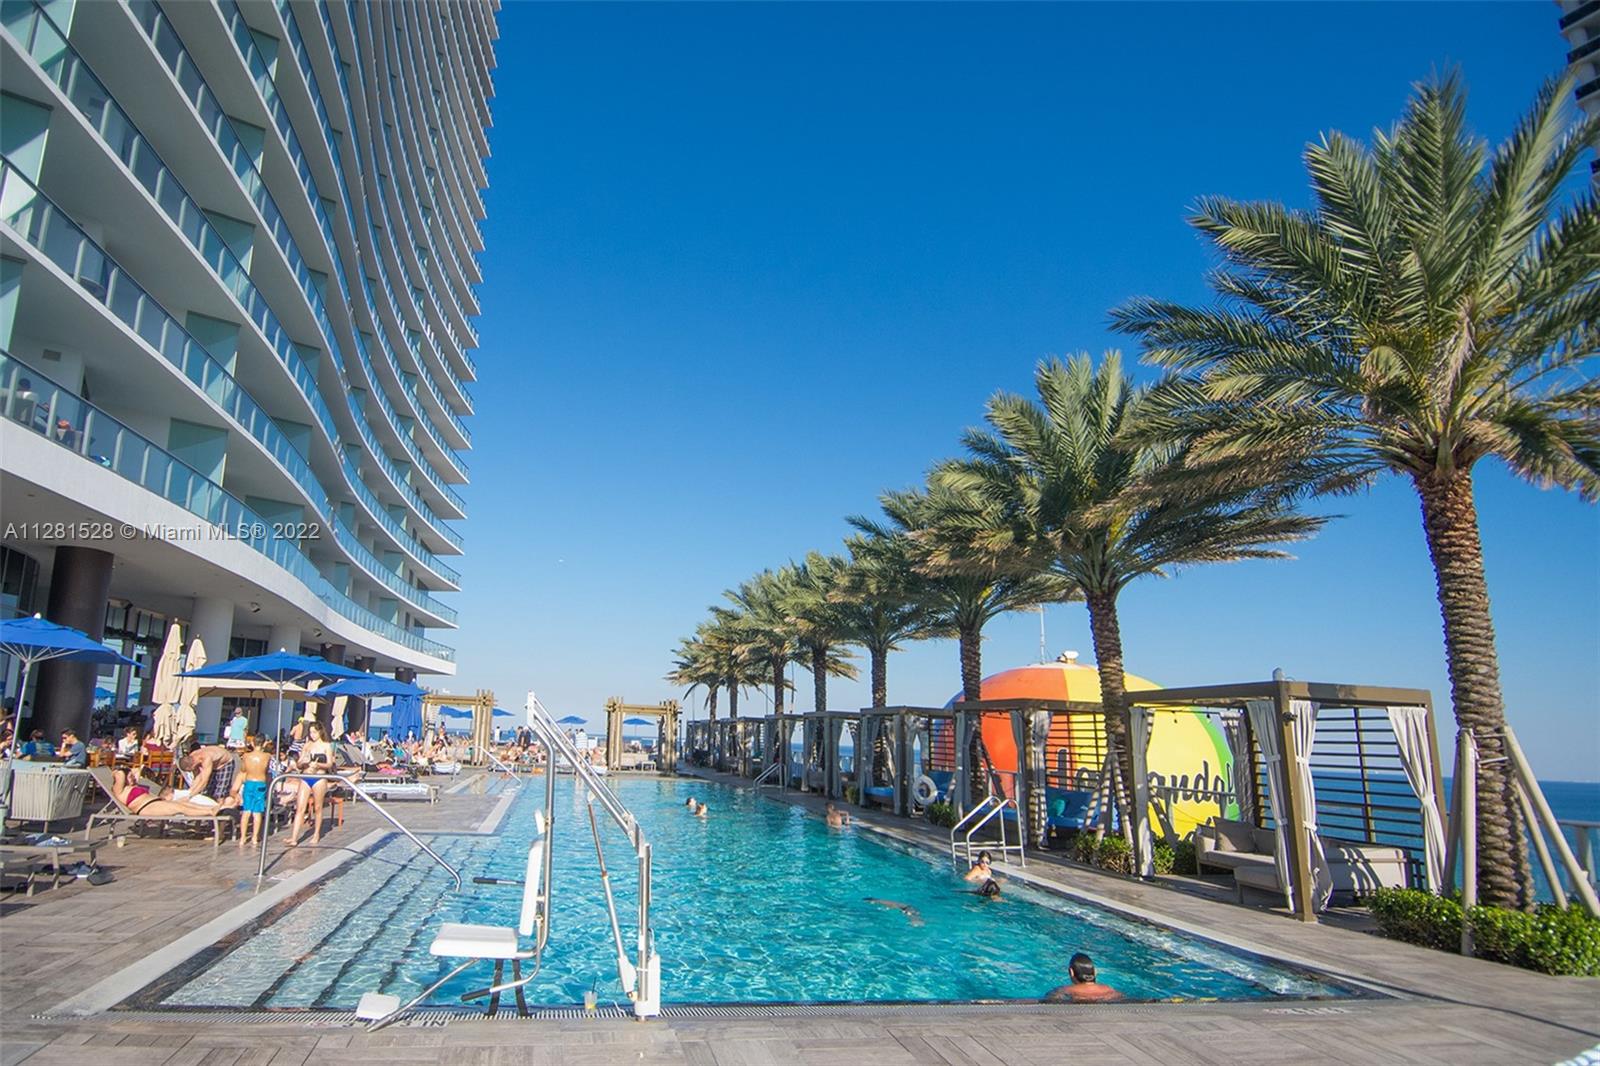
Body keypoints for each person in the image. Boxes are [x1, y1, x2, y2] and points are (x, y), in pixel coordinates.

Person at [109, 767, 228, 818]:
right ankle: (210, 812)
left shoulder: (133, 786)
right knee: (180, 808)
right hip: (147, 807)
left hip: (157, 802)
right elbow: (119, 774)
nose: (133, 778)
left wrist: (131, 773)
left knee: (184, 803)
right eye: (130, 777)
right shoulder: (120, 790)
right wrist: (122, 771)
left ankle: (212, 808)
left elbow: (137, 770)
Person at [236, 734, 272, 849]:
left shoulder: (246, 756)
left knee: (246, 810)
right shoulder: (267, 756)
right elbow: (266, 769)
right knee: (257, 812)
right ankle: (255, 837)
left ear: (252, 743)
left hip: (249, 782)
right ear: (264, 743)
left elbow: (243, 769)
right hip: (260, 783)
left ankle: (242, 837)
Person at [1043, 953, 1123, 1003]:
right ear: (1095, 972)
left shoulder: (1066, 990)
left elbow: (1049, 1002)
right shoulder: (1109, 989)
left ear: (1071, 972)